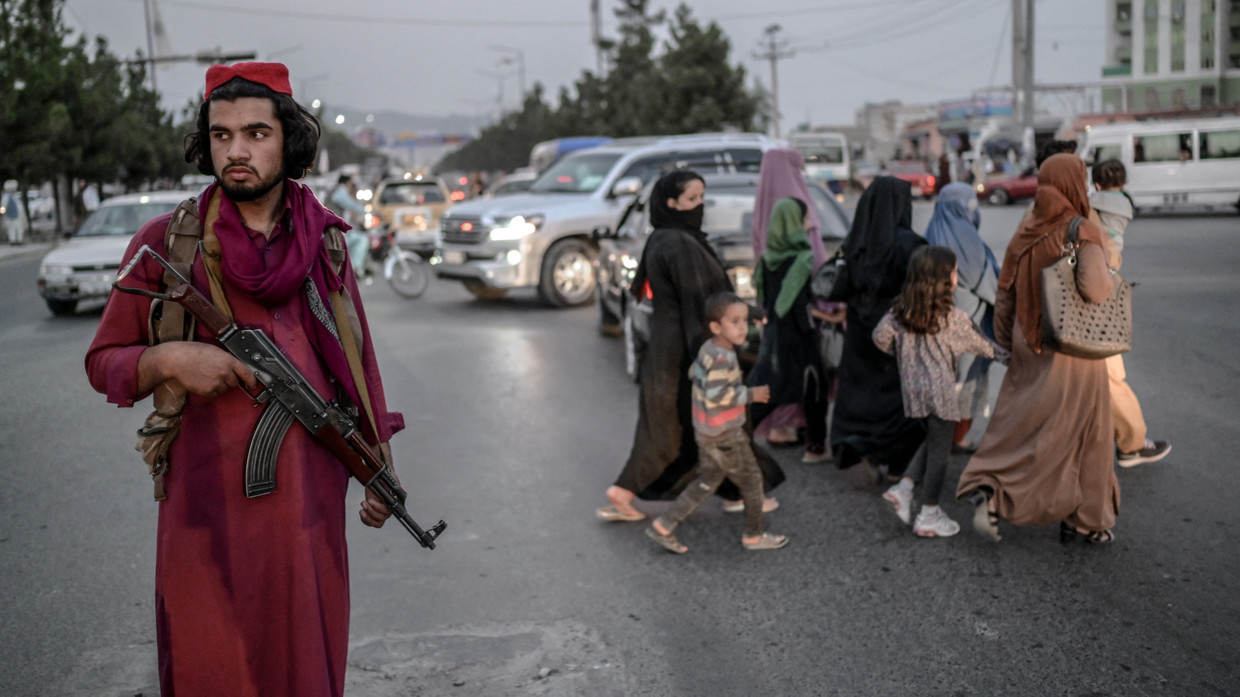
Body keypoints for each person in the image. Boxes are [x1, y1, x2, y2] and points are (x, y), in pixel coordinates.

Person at [85, 62, 404, 696]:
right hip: (205, 515)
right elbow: (104, 362)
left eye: (256, 133)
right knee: (213, 665)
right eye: (222, 134)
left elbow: (358, 365)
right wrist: (171, 360)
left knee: (304, 667)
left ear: (289, 139)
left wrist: (379, 463)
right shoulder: (166, 242)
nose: (237, 150)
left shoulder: (327, 244)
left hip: (308, 515)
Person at [598, 170, 784, 522]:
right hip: (685, 352)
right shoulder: (679, 244)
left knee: (682, 429)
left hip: (671, 351)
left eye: (702, 198)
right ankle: (625, 493)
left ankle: (734, 493)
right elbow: (704, 302)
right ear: (671, 203)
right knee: (693, 428)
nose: (700, 206)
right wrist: (735, 333)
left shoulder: (664, 237)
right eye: (692, 200)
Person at [955, 153, 1120, 545]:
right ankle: (1084, 519)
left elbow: (1005, 292)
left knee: (1021, 423)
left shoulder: (1025, 230)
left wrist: (1006, 342)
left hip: (1025, 341)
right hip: (1071, 351)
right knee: (1085, 433)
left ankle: (990, 482)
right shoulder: (1081, 229)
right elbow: (1096, 290)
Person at [875, 246, 1008, 537]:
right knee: (940, 453)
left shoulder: (899, 313)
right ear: (944, 280)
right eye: (954, 271)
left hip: (913, 393)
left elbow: (879, 337)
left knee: (933, 439)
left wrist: (902, 355)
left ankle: (905, 488)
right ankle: (929, 513)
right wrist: (1010, 356)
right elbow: (984, 345)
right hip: (941, 394)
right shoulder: (952, 318)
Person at [645, 292, 788, 553]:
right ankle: (754, 536)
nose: (743, 327)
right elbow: (717, 396)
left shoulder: (709, 349)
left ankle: (664, 526)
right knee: (753, 483)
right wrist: (750, 395)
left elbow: (693, 374)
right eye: (735, 321)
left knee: (705, 483)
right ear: (716, 327)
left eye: (745, 320)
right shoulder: (724, 357)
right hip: (726, 436)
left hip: (707, 433)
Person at [829, 176, 927, 479]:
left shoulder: (856, 241)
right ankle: (896, 462)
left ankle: (861, 445)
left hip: (859, 325)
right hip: (899, 326)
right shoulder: (911, 244)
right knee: (900, 394)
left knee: (861, 390)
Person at [1089, 158, 1172, 467]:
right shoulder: (1119, 205)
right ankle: (1132, 445)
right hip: (1095, 304)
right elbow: (1106, 258)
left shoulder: (1079, 206)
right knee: (1111, 377)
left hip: (1076, 308)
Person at [749, 148, 832, 446]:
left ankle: (772, 427)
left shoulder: (763, 208)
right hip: (798, 322)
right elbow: (815, 264)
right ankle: (814, 442)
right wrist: (827, 309)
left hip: (772, 317)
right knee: (811, 380)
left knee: (775, 373)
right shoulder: (798, 206)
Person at [923, 182, 1001, 452]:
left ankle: (937, 439)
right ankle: (956, 438)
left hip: (934, 323)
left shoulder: (931, 233)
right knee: (966, 380)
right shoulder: (968, 238)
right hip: (969, 325)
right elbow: (989, 283)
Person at [327, 173, 371, 280]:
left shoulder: (339, 192)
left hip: (338, 230)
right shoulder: (339, 192)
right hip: (333, 232)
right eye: (351, 183)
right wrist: (368, 212)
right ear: (347, 183)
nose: (352, 185)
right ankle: (356, 269)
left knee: (361, 238)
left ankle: (355, 268)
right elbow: (351, 205)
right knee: (362, 240)